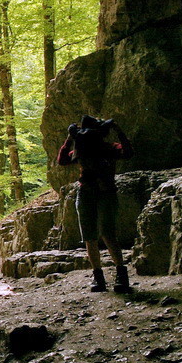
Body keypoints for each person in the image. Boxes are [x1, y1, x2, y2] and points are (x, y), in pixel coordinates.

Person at [58, 115, 134, 293]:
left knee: (91, 237)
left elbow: (62, 160)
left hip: (89, 193)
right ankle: (120, 277)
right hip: (102, 192)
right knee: (106, 235)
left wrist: (70, 138)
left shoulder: (83, 149)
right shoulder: (107, 148)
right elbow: (128, 152)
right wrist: (119, 130)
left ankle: (99, 279)